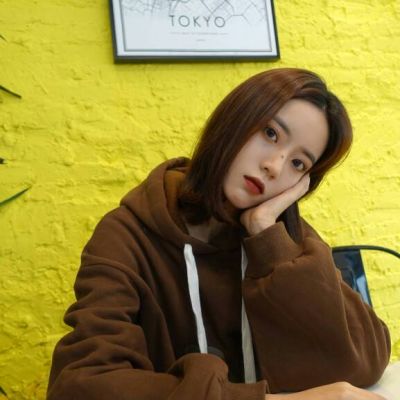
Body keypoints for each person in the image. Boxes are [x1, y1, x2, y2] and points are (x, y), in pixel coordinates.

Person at [47, 68, 390, 400]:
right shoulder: (127, 234)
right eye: (271, 134)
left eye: (298, 163)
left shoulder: (281, 238)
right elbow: (81, 386)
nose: (274, 166)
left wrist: (268, 242)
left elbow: (366, 361)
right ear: (234, 121)